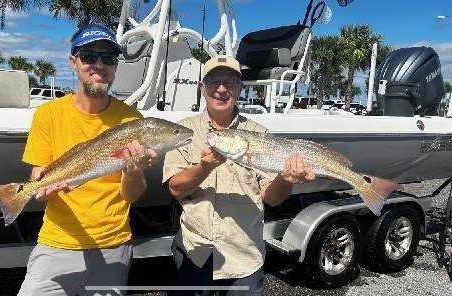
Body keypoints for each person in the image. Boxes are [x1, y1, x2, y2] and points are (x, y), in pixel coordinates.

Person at [18, 24, 158, 296]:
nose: (99, 65)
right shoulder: (48, 114)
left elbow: (131, 196)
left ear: (115, 67)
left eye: (108, 59)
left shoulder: (132, 121)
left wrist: (132, 171)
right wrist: (40, 189)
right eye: (89, 56)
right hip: (56, 242)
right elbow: (39, 175)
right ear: (73, 62)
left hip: (113, 244)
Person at [162, 56, 316, 295]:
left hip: (243, 257)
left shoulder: (259, 135)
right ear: (202, 88)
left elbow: (271, 198)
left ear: (240, 89)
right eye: (213, 82)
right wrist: (204, 167)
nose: (221, 89)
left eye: (230, 83)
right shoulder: (183, 131)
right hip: (195, 253)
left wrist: (285, 179)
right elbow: (175, 189)